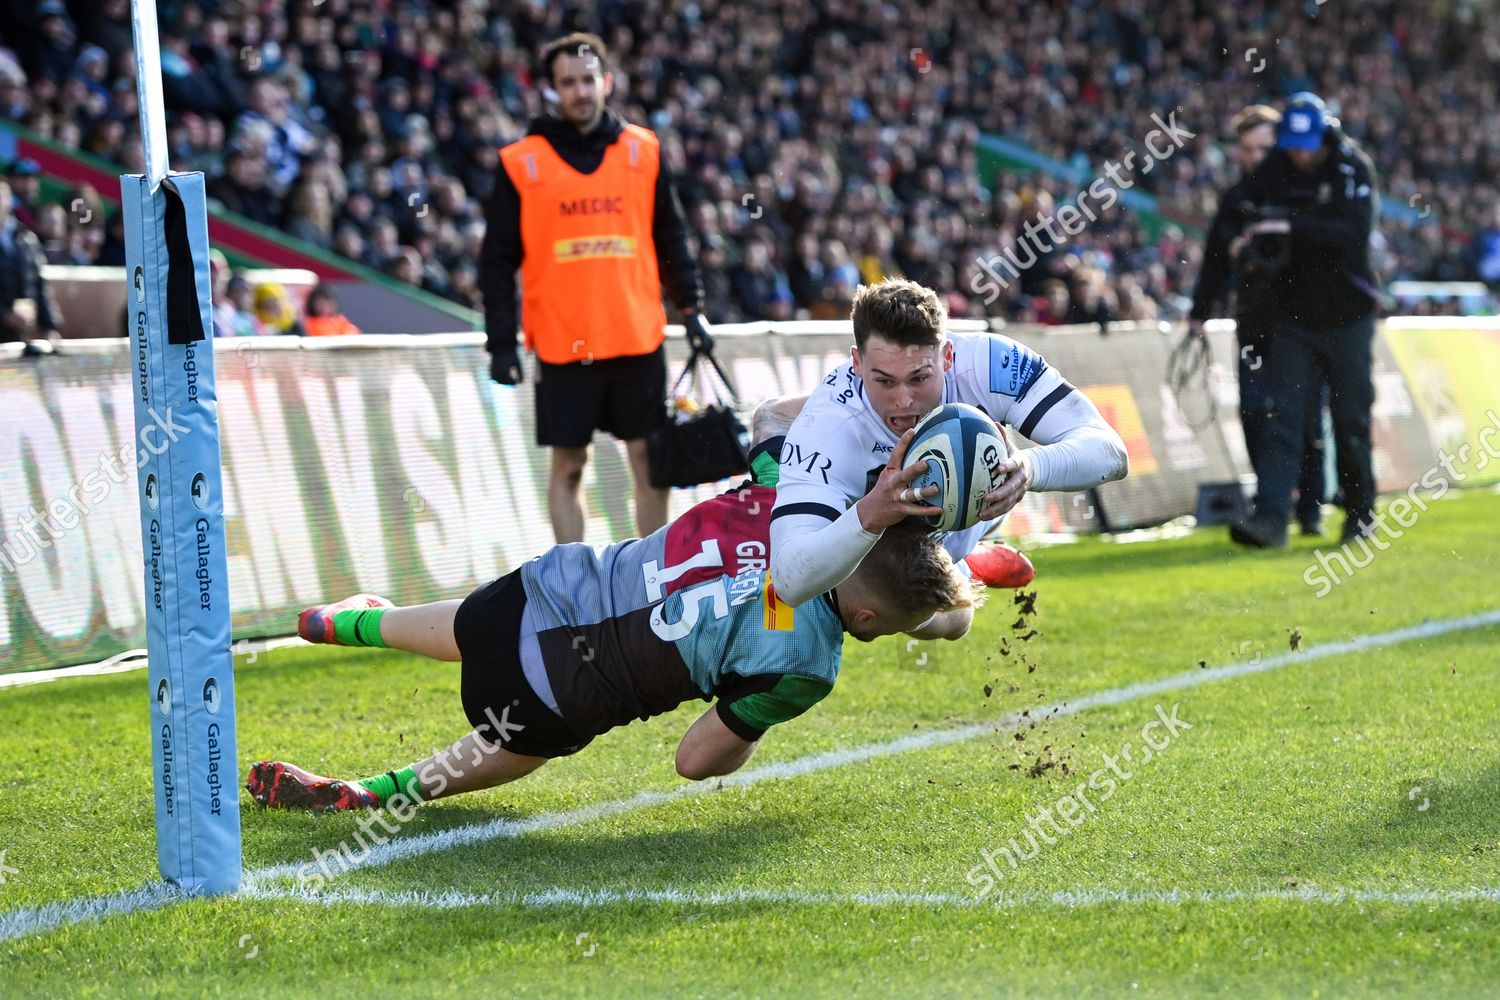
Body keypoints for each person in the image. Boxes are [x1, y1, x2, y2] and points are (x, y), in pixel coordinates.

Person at [245, 478, 974, 813]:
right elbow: (694, 762)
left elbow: (773, 420)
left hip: (538, 593)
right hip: (554, 701)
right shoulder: (807, 664)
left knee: (458, 629)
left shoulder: (786, 495)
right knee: (505, 744)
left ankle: (352, 623)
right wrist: (754, 723)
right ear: (872, 622)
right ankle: (377, 792)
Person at [765, 278, 1129, 637]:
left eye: (919, 378)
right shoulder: (827, 427)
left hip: (964, 516)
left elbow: (1110, 452)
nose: (904, 400)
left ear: (948, 357)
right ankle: (965, 569)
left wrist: (1032, 469)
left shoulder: (989, 364)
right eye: (885, 381)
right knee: (849, 616)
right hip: (866, 515)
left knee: (952, 621)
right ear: (857, 364)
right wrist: (872, 513)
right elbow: (790, 583)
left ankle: (962, 565)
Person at [479, 32, 711, 545]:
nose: (580, 91)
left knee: (649, 463)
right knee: (568, 467)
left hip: (637, 338)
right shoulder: (522, 162)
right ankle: (573, 585)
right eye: (568, 83)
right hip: (564, 345)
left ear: (606, 81)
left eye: (588, 80)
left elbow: (671, 236)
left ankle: (657, 583)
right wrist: (500, 341)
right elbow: (496, 261)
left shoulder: (643, 150)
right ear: (551, 90)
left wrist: (692, 308)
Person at [1224, 94, 1380, 547]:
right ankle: (1271, 519)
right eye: (1292, 144)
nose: (1299, 153)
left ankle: (1360, 514)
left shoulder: (1353, 170)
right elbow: (1239, 205)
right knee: (1283, 418)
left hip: (1348, 316)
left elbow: (1354, 235)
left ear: (1325, 135)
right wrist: (1239, 237)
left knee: (1350, 420)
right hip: (1293, 318)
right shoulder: (1276, 166)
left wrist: (1289, 226)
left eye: (1306, 144)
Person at [1190, 104, 1328, 536]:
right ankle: (1273, 500)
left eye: (1263, 147)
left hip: (1301, 324)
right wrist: (1198, 313)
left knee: (1302, 416)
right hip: (1253, 324)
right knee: (1253, 409)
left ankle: (1309, 507)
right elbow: (1213, 259)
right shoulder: (1237, 200)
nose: (1255, 157)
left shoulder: (1302, 194)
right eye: (1247, 149)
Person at [0, 177, 63, 344]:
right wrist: (5, 316)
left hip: (21, 336)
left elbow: (39, 285)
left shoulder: (26, 238)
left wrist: (50, 326)